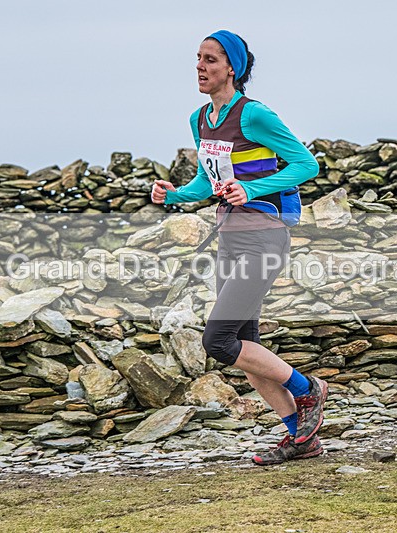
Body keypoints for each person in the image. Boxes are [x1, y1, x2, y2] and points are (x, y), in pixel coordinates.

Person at [151, 30, 328, 466]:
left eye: (210, 59)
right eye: (197, 58)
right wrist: (173, 195)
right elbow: (207, 184)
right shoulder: (200, 120)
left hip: (264, 236)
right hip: (229, 239)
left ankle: (309, 390)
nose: (200, 66)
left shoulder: (255, 116)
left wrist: (251, 190)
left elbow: (307, 164)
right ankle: (300, 440)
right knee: (247, 349)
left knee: (219, 339)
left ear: (232, 67)